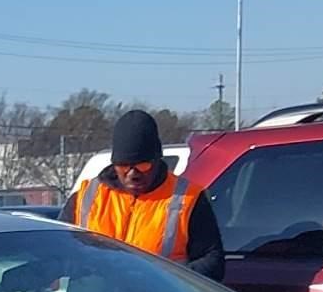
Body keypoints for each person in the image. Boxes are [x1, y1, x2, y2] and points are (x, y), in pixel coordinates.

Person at [67, 109, 225, 279]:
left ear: (157, 160)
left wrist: (169, 281)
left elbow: (212, 262)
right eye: (123, 165)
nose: (132, 174)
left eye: (142, 165)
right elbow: (57, 251)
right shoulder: (86, 197)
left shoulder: (188, 199)